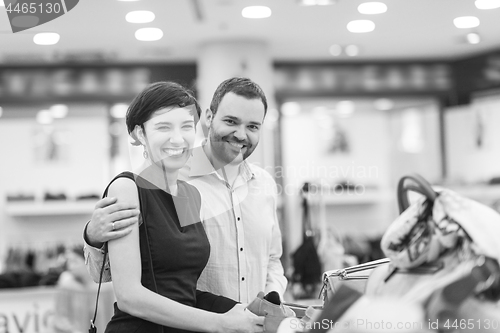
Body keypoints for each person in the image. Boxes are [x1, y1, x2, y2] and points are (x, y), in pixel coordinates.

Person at [84, 77, 288, 303]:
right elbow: (110, 274)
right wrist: (93, 237)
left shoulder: (265, 185)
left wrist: (273, 298)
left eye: (252, 126)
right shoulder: (171, 179)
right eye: (231, 121)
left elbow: (272, 259)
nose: (241, 134)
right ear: (209, 118)